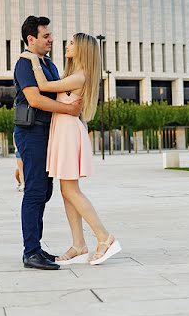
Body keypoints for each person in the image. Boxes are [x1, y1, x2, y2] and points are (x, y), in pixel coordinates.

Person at [21, 31, 121, 266]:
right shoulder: (73, 74)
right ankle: (79, 244)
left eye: (72, 43)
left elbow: (43, 85)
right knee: (67, 191)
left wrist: (33, 59)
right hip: (63, 131)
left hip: (67, 133)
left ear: (83, 49)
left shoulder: (80, 76)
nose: (67, 45)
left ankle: (104, 237)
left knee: (71, 190)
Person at [13, 15, 84, 270]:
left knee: (44, 191)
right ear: (31, 39)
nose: (51, 39)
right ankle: (30, 252)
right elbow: (35, 100)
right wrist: (69, 111)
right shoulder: (25, 63)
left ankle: (36, 247)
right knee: (34, 191)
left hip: (47, 133)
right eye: (45, 36)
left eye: (50, 35)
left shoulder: (49, 64)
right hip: (31, 132)